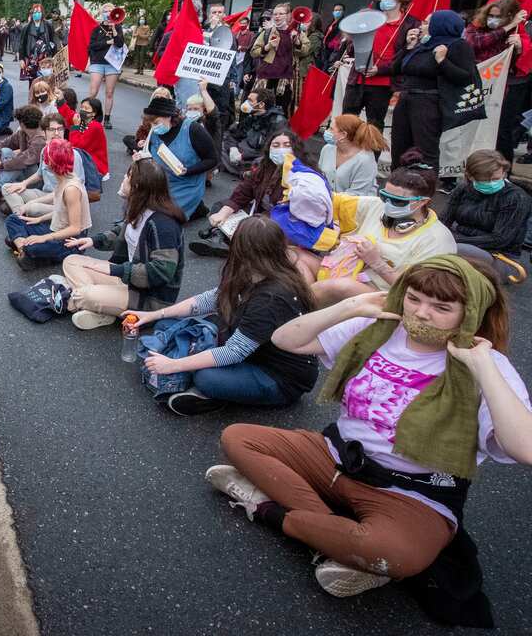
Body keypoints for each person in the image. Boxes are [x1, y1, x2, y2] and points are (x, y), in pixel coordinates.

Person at [217, 255, 531, 599]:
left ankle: (269, 510)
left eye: (441, 307)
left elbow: (524, 448)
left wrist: (484, 365)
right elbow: (285, 340)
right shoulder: (378, 327)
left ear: (470, 314)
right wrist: (350, 305)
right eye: (413, 298)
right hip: (336, 457)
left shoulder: (485, 364)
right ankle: (332, 538)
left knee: (397, 554)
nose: (421, 313)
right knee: (238, 438)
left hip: (409, 490)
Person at [133, 217, 317, 415]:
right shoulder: (254, 270)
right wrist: (153, 314)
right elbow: (210, 300)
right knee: (170, 322)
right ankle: (205, 387)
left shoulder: (272, 297)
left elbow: (235, 351)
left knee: (207, 378)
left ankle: (210, 396)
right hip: (253, 350)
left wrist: (173, 365)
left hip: (279, 377)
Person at [300, 155, 456, 305]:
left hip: (387, 296)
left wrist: (377, 263)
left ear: (423, 202)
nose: (387, 204)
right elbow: (334, 201)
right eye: (385, 196)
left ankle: (297, 313)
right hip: (343, 271)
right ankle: (298, 305)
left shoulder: (438, 240)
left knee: (338, 286)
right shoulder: (377, 206)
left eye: (397, 201)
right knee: (293, 256)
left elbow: (419, 292)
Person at [61, 159, 185, 330]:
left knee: (83, 293)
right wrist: (93, 240)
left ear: (137, 187)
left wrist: (115, 270)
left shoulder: (164, 225)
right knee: (71, 260)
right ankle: (101, 308)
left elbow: (162, 271)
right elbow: (122, 232)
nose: (123, 180)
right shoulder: (141, 208)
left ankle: (87, 298)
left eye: (127, 177)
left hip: (148, 298)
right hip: (128, 280)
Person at [390, 10, 480, 171]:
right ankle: (397, 185)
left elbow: (464, 77)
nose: (421, 26)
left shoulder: (457, 45)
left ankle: (424, 188)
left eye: (426, 23)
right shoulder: (422, 45)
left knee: (425, 150)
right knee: (399, 146)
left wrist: (442, 60)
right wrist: (408, 48)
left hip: (428, 102)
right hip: (406, 99)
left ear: (440, 25)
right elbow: (396, 69)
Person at [193, 127, 302, 257]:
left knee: (254, 225)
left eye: (286, 145)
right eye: (276, 145)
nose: (280, 149)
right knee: (221, 206)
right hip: (258, 210)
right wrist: (223, 213)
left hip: (281, 220)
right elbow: (243, 192)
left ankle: (222, 238)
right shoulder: (264, 167)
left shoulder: (302, 174)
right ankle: (221, 237)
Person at [441, 149, 532, 283]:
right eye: (485, 179)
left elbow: (500, 239)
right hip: (460, 241)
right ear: (471, 177)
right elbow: (444, 221)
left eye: (496, 178)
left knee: (452, 250)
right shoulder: (463, 189)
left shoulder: (515, 197)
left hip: (499, 256)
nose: (491, 183)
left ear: (504, 173)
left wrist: (452, 240)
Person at [341, 0, 419, 130]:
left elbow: (407, 59)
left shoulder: (410, 25)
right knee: (346, 122)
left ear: (401, 1)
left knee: (374, 126)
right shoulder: (371, 18)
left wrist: (380, 70)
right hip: (357, 80)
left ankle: (371, 154)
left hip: (382, 85)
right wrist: (352, 34)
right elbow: (351, 50)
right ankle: (345, 152)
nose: (384, 1)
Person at [3, 138, 90, 268]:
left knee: (28, 245)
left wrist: (44, 238)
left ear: (51, 163)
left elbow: (75, 228)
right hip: (56, 227)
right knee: (13, 220)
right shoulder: (63, 177)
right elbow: (61, 211)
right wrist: (40, 219)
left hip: (72, 242)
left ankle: (28, 251)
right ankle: (25, 251)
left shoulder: (72, 188)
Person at [464, 0, 530, 161]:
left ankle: (502, 171)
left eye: (497, 17)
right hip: (476, 87)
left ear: (508, 16)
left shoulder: (516, 34)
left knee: (501, 131)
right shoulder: (476, 29)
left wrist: (520, 47)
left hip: (502, 91)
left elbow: (522, 66)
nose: (492, 19)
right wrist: (505, 27)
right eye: (490, 16)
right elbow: (476, 43)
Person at [144, 95, 216, 220]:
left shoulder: (193, 129)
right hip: (160, 182)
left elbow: (212, 159)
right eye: (150, 123)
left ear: (169, 117)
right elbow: (150, 156)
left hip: (186, 184)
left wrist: (188, 171)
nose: (153, 127)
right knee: (138, 206)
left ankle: (195, 207)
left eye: (155, 123)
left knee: (159, 217)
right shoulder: (154, 132)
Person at [250, 2, 310, 114]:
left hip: (285, 77)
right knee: (261, 107)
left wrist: (297, 42)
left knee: (282, 108)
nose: (277, 16)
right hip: (266, 76)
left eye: (281, 14)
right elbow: (253, 52)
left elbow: (306, 50)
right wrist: (267, 47)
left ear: (288, 16)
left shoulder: (296, 32)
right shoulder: (267, 32)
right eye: (275, 14)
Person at [221, 89, 288, 176]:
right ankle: (246, 173)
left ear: (261, 105)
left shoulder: (277, 122)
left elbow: (270, 149)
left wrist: (243, 155)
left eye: (250, 101)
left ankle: (248, 173)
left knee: (263, 162)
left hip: (254, 157)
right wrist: (233, 148)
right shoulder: (252, 117)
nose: (246, 103)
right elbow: (233, 134)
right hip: (241, 153)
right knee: (220, 145)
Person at [318, 114, 385, 196]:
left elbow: (356, 194)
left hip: (355, 205)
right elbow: (320, 177)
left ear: (343, 135)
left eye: (331, 129)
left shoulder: (365, 160)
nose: (327, 131)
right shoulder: (327, 149)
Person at [87, 6, 126, 127]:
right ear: (101, 13)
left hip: (112, 65)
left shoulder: (117, 27)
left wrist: (114, 29)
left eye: (110, 11)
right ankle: (88, 115)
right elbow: (91, 46)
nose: (108, 13)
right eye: (105, 11)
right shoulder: (96, 28)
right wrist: (106, 43)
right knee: (93, 92)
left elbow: (120, 44)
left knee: (109, 92)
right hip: (97, 62)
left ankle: (107, 118)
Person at [18, 3, 56, 100]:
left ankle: (48, 103)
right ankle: (33, 103)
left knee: (47, 81)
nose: (37, 14)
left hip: (45, 59)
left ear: (42, 13)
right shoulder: (26, 27)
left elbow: (53, 41)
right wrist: (21, 59)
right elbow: (22, 44)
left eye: (39, 12)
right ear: (32, 13)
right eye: (35, 12)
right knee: (33, 83)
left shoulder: (48, 25)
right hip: (31, 59)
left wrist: (54, 56)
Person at [66, 95, 109, 177]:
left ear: (94, 113)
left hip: (94, 166)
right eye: (82, 107)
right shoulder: (83, 121)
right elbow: (68, 114)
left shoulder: (95, 126)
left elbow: (77, 146)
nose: (82, 110)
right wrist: (60, 100)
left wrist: (75, 127)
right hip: (84, 160)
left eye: (86, 108)